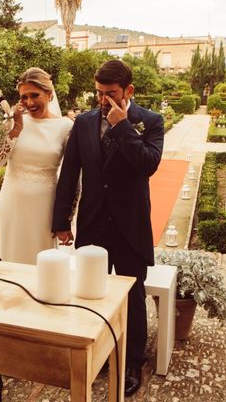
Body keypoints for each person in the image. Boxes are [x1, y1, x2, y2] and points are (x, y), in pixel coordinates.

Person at [52, 59, 164, 397]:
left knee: (132, 296)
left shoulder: (150, 122)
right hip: (93, 223)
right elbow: (69, 173)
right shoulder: (83, 124)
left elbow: (148, 165)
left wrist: (122, 126)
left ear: (128, 91)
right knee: (91, 292)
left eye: (110, 93)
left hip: (130, 226)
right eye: (99, 93)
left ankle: (131, 362)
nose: (103, 100)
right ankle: (97, 352)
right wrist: (61, 222)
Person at [0, 67, 72, 264]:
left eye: (35, 95)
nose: (29, 102)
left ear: (49, 94)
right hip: (11, 204)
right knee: (7, 263)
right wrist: (16, 129)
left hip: (44, 209)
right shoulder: (12, 123)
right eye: (24, 97)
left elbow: (71, 177)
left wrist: (65, 219)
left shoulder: (65, 127)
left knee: (40, 265)